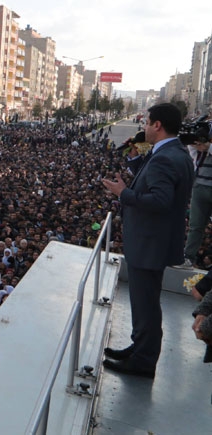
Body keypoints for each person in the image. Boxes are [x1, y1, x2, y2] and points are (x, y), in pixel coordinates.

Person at [102, 102, 194, 378]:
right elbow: (156, 184)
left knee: (145, 304)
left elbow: (160, 200)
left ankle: (143, 360)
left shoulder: (165, 158)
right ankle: (139, 347)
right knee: (147, 302)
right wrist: (133, 166)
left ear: (157, 125)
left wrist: (123, 193)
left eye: (146, 122)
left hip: (150, 243)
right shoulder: (176, 153)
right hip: (158, 241)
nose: (143, 127)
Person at [179, 123, 212, 268]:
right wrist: (195, 142)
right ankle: (188, 257)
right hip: (199, 186)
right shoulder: (205, 125)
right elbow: (192, 152)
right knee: (195, 226)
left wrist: (208, 147)